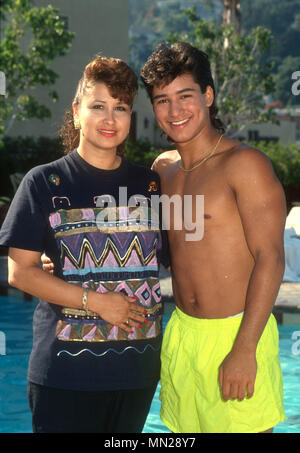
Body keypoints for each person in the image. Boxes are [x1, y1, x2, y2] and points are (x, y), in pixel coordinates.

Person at [0, 55, 168, 433]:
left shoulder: (151, 185)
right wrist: (98, 303)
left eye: (120, 108)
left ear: (131, 118)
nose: (110, 119)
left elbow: (178, 256)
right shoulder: (43, 183)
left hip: (137, 372)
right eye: (98, 106)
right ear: (77, 112)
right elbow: (19, 273)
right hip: (65, 375)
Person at [139, 42, 287, 433]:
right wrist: (69, 261)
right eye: (162, 100)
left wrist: (244, 348)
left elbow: (270, 258)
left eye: (185, 96)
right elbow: (157, 247)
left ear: (207, 95)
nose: (174, 111)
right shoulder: (163, 169)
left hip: (236, 332)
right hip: (183, 332)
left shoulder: (245, 165)